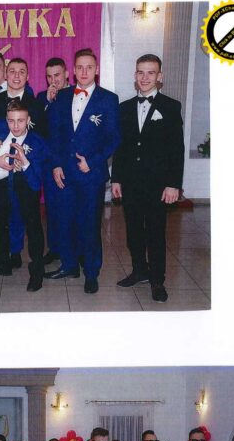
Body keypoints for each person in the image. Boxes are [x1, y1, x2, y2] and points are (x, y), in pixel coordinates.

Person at [111, 53, 185, 304]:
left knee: (155, 232)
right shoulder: (124, 108)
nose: (145, 78)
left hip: (158, 184)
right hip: (131, 183)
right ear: (135, 75)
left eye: (150, 73)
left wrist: (173, 184)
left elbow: (176, 149)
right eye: (140, 72)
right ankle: (139, 270)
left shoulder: (171, 107)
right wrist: (116, 179)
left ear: (159, 76)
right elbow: (121, 148)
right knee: (133, 232)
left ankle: (157, 280)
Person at [48, 48, 121, 293]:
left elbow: (114, 138)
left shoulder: (108, 99)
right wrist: (56, 164)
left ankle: (91, 272)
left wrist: (93, 161)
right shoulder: (62, 96)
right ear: (73, 70)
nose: (84, 72)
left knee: (89, 224)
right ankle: (69, 265)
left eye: (89, 67)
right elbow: (55, 134)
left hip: (91, 174)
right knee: (65, 221)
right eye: (79, 67)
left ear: (96, 70)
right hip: (65, 172)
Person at [0, 98, 51, 291]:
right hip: (0, 187)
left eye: (20, 121)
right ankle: (2, 264)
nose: (15, 126)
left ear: (28, 120)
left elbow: (36, 183)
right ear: (6, 120)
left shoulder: (38, 143)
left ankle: (37, 272)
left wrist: (26, 163)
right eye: (11, 121)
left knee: (33, 228)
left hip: (26, 190)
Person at [37, 57, 70, 268]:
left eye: (57, 75)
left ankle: (73, 250)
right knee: (52, 208)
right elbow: (37, 128)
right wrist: (48, 103)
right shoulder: (42, 97)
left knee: (71, 209)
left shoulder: (76, 94)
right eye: (49, 76)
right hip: (49, 162)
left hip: (70, 162)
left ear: (66, 74)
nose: (53, 80)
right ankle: (55, 249)